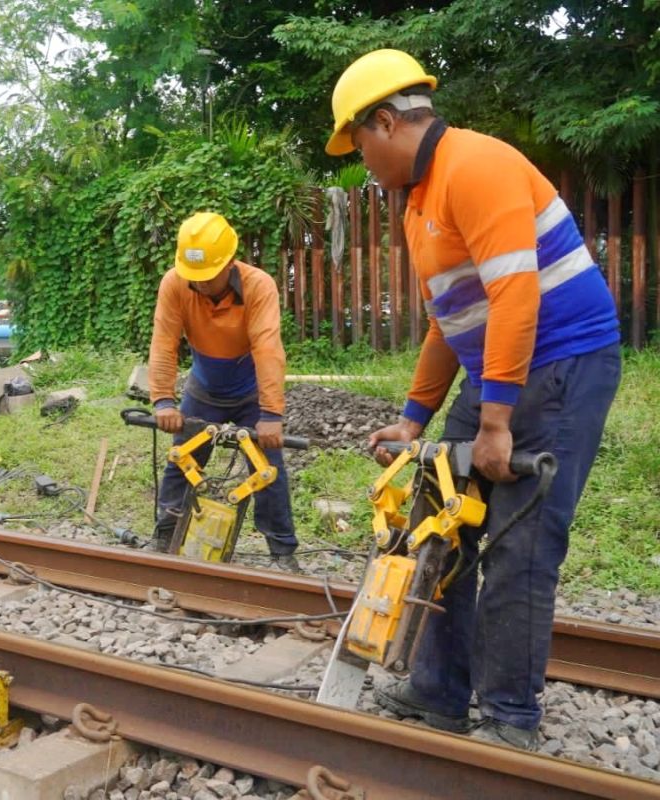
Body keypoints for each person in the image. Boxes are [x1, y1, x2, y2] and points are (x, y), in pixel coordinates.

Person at [326, 49, 621, 750]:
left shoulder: (477, 165)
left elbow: (517, 296)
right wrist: (412, 419)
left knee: (521, 541)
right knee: (439, 521)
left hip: (564, 362)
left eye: (359, 143)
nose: (360, 160)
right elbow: (447, 319)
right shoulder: (418, 204)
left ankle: (510, 719)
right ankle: (437, 691)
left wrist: (494, 423)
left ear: (387, 121)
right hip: (500, 368)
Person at [147, 212, 299, 570]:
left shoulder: (258, 285)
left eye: (207, 277)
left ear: (230, 262)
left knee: (268, 470)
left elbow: (267, 348)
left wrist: (271, 414)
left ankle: (282, 553)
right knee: (180, 462)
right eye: (192, 276)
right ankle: (164, 537)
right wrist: (164, 400)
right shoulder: (174, 283)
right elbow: (164, 343)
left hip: (250, 392)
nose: (198, 284)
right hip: (203, 389)